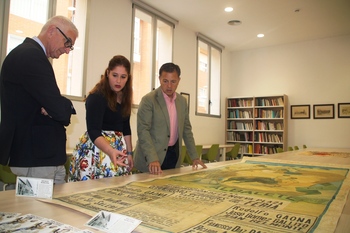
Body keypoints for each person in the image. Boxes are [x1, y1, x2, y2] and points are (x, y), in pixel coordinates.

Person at [0, 15, 78, 184]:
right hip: (36, 158)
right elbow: (59, 110)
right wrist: (66, 105)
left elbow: (53, 105)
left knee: (53, 210)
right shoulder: (31, 56)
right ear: (52, 31)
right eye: (68, 43)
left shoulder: (30, 55)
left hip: (43, 158)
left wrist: (54, 106)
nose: (67, 50)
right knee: (39, 210)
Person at [68, 55, 134, 181]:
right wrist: (110, 151)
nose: (118, 81)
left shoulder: (125, 98)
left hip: (117, 150)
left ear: (128, 78)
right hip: (97, 149)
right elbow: (93, 130)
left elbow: (126, 128)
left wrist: (130, 153)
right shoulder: (97, 97)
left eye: (123, 77)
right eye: (115, 75)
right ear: (108, 73)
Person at [134, 62, 207, 174]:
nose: (169, 86)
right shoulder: (149, 100)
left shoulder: (182, 101)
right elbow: (143, 130)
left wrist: (194, 157)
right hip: (152, 157)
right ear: (159, 79)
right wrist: (152, 158)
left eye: (173, 82)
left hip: (173, 155)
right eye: (165, 81)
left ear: (179, 80)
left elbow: (186, 130)